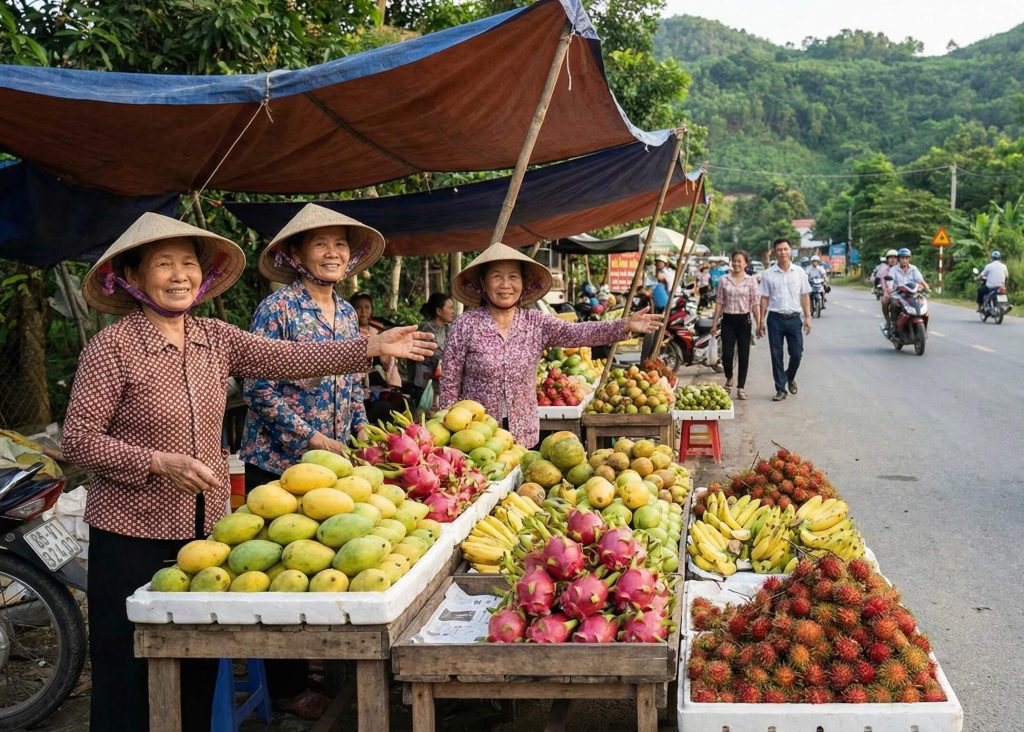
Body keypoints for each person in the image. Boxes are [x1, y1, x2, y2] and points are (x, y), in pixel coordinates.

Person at [61, 212, 435, 732]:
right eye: (163, 264)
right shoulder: (113, 348)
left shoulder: (215, 337)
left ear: (203, 275)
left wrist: (371, 345)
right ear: (133, 278)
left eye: (188, 264)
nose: (178, 276)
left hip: (209, 531)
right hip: (131, 529)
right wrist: (155, 462)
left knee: (196, 660)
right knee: (128, 663)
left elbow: (289, 357)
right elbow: (77, 440)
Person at [239, 203, 386, 717]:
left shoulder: (347, 314)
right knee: (279, 573)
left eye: (340, 245)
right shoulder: (277, 309)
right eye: (319, 244)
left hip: (334, 467)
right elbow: (256, 386)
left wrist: (364, 431)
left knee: (317, 565)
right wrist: (310, 439)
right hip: (281, 464)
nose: (332, 253)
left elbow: (352, 388)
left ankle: (314, 664)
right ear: (297, 254)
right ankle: (286, 687)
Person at [441, 242, 662, 447]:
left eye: (513, 277)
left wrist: (624, 325)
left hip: (522, 433)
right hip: (475, 434)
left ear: (524, 283)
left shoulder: (536, 322)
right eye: (496, 276)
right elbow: (449, 382)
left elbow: (578, 333)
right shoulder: (465, 325)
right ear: (482, 282)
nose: (505, 285)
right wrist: (447, 431)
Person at [756, 238, 812, 402]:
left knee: (797, 353)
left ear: (790, 251)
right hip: (775, 319)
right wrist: (760, 321)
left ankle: (789, 376)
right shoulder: (768, 274)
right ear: (775, 252)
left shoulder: (799, 272)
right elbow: (764, 298)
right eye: (779, 250)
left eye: (785, 249)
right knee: (776, 355)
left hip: (794, 318)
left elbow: (805, 295)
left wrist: (808, 317)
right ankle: (780, 389)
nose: (783, 252)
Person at [711, 250, 761, 401]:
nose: (736, 263)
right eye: (734, 260)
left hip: (744, 321)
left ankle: (741, 387)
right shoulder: (723, 280)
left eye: (740, 261)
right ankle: (729, 378)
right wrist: (714, 324)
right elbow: (719, 302)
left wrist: (759, 323)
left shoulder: (751, 281)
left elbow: (755, 303)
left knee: (744, 355)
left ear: (746, 263)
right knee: (727, 354)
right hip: (728, 321)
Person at [414, 292, 456, 410]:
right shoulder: (426, 328)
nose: (453, 312)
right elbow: (435, 354)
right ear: (439, 311)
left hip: (439, 382)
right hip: (425, 382)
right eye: (450, 308)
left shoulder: (447, 328)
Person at [884, 247, 930, 332]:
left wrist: (925, 285)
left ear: (909, 259)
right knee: (893, 303)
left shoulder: (914, 268)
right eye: (902, 258)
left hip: (912, 294)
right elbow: (890, 282)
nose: (904, 260)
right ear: (899, 259)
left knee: (922, 302)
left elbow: (920, 279)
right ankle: (893, 323)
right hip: (898, 294)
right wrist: (890, 288)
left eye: (906, 258)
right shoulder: (893, 269)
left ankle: (923, 325)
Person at [876, 249, 899, 329]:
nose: (892, 259)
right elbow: (883, 283)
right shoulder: (884, 270)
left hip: (904, 292)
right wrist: (886, 292)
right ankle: (888, 321)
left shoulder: (902, 268)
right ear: (887, 259)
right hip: (891, 292)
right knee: (885, 300)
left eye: (895, 257)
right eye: (890, 258)